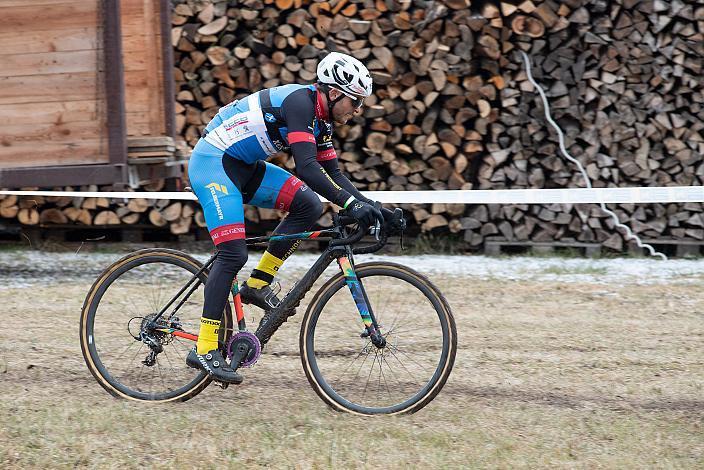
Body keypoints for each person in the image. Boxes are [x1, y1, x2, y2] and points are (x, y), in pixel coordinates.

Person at [185, 52, 405, 383]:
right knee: (233, 254)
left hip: (244, 167)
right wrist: (350, 205)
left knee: (308, 206)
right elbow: (307, 167)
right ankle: (204, 348)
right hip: (213, 164)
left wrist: (373, 208)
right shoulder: (300, 103)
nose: (358, 110)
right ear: (334, 94)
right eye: (355, 102)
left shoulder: (323, 120)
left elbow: (333, 173)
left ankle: (257, 285)